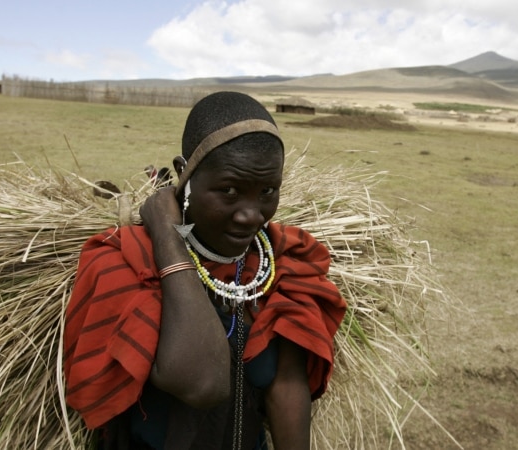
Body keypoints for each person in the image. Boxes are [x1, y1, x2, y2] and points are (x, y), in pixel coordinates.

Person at [64, 91, 347, 449]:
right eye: (228, 190)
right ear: (185, 173)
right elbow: (203, 383)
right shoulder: (126, 262)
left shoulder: (283, 262)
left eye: (267, 191)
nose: (252, 215)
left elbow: (287, 386)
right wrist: (169, 237)